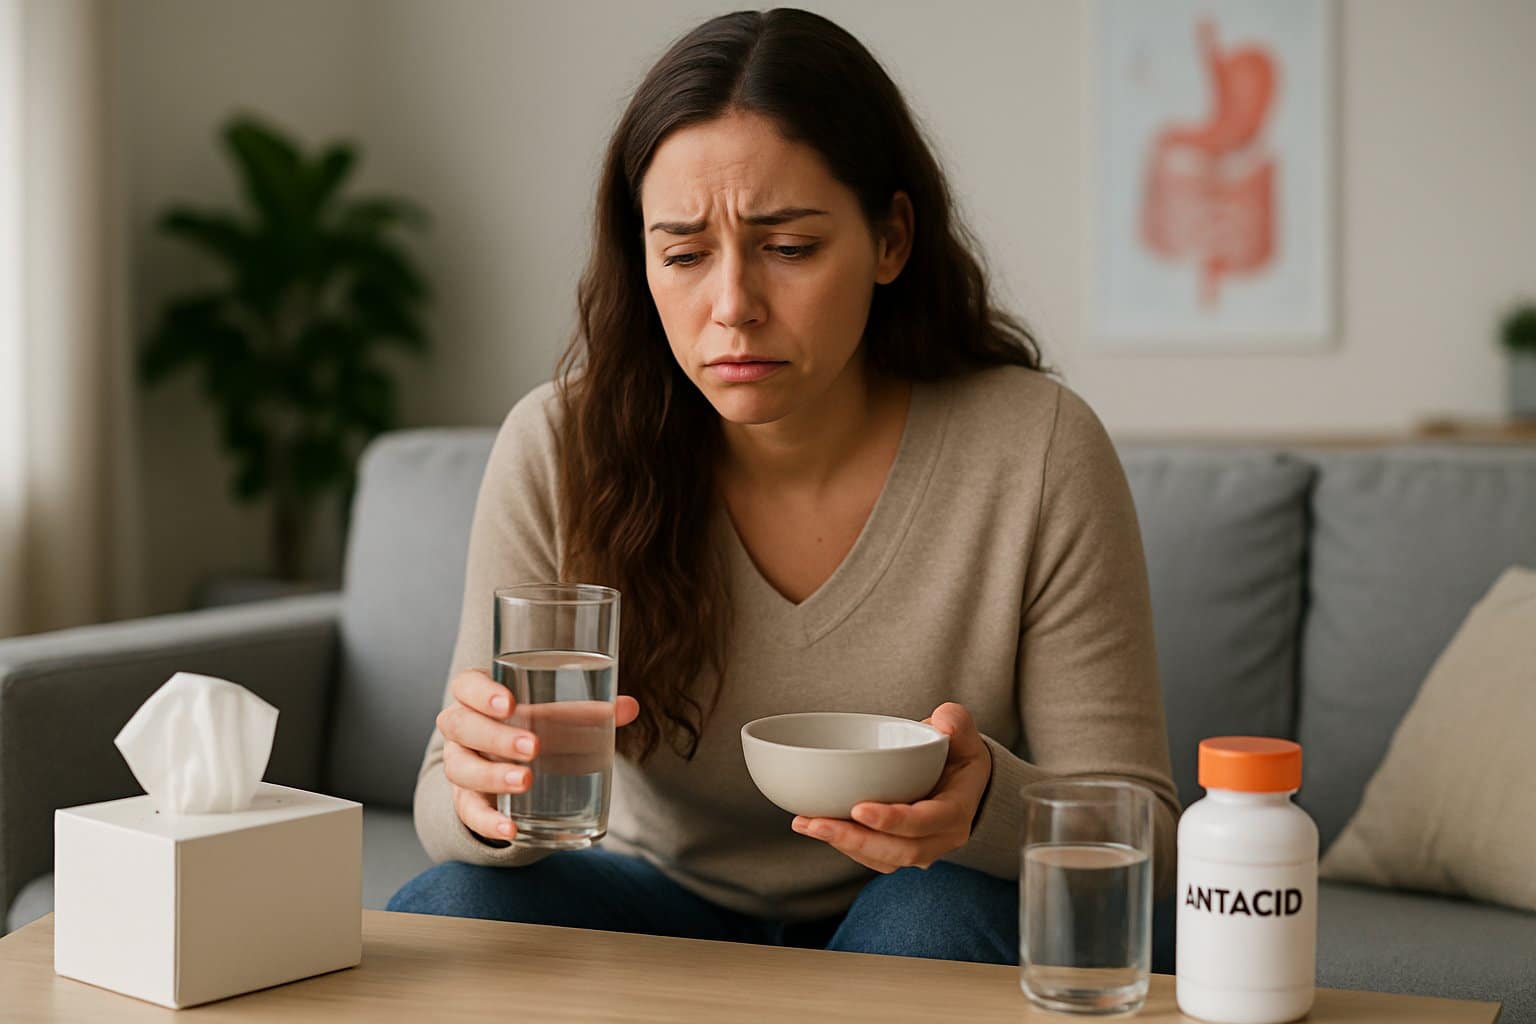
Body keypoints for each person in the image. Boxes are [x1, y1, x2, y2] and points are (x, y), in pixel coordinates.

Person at [388, 7, 1182, 967]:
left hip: (920, 903)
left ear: (890, 240)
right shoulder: (562, 446)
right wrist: (486, 791)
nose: (732, 307)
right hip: (652, 897)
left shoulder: (1036, 447)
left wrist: (983, 805)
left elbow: (1147, 835)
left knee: (922, 922)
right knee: (449, 904)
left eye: (790, 248)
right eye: (682, 255)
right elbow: (445, 799)